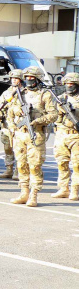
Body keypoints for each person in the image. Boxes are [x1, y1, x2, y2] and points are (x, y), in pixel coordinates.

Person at [8, 66, 57, 207]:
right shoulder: (20, 93)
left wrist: (38, 120)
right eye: (27, 77)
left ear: (38, 79)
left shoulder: (45, 94)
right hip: (20, 135)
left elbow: (53, 115)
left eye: (32, 78)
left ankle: (33, 195)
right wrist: (14, 121)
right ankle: (24, 193)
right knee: (21, 165)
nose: (29, 80)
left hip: (36, 134)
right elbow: (10, 112)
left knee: (35, 166)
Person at [52, 72, 79, 201]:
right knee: (62, 163)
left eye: (71, 84)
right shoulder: (60, 98)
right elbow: (53, 116)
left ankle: (75, 190)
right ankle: (63, 189)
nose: (69, 86)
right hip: (61, 135)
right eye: (67, 84)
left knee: (77, 165)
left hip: (76, 136)